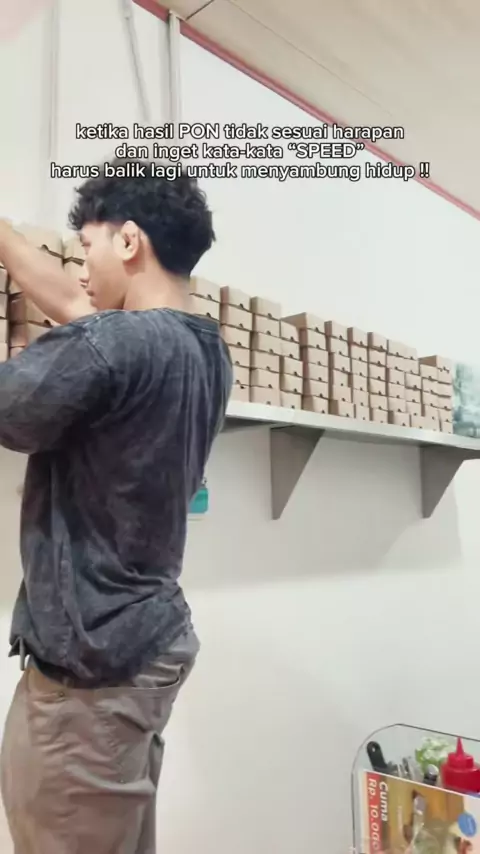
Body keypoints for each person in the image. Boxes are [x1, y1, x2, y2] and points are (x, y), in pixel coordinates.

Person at [0, 159, 232, 853]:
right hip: (144, 642)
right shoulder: (202, 348)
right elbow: (83, 322)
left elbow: (13, 410)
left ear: (129, 241)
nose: (80, 272)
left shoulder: (115, 346)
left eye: (87, 249)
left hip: (92, 671)